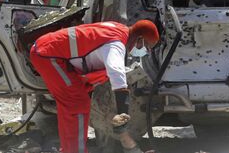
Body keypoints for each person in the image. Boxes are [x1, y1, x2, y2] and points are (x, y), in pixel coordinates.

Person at [29, 20, 160, 153]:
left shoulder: (119, 29)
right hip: (48, 55)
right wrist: (122, 112)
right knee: (77, 102)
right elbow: (117, 75)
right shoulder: (116, 46)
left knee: (77, 101)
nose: (145, 51)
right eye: (146, 46)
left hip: (49, 50)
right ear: (139, 38)